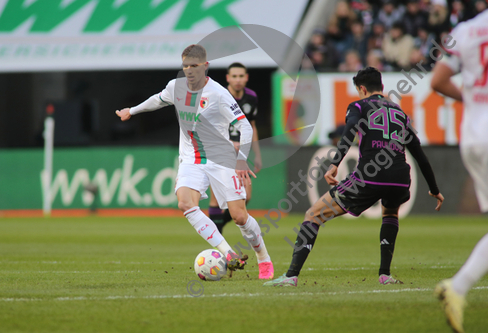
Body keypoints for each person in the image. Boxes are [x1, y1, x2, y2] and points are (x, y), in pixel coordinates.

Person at [264, 67, 444, 287]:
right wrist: (434, 188)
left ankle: (291, 276)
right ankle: (385, 275)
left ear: (361, 89)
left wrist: (334, 164)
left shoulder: (359, 105)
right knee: (390, 212)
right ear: (382, 87)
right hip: (399, 179)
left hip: (370, 177)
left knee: (313, 215)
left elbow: (349, 130)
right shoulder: (400, 113)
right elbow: (420, 156)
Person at [115, 44, 274, 279]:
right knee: (185, 203)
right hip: (191, 158)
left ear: (205, 67)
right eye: (185, 66)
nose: (189, 71)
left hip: (223, 158)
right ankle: (228, 253)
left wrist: (242, 159)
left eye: (194, 66)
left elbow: (244, 126)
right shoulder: (175, 87)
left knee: (240, 216)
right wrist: (133, 110)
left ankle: (263, 258)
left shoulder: (218, 93)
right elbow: (158, 100)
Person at [431, 8, 488, 333]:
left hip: (473, 138)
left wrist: (475, 102)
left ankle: (459, 287)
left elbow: (438, 80)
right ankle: (458, 286)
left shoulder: (465, 29)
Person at [208, 62, 261, 234]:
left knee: (247, 196)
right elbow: (210, 127)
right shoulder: (218, 96)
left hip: (241, 154)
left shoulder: (251, 97)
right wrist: (229, 143)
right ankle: (217, 243)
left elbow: (251, 126)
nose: (237, 80)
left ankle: (217, 228)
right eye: (234, 76)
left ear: (246, 78)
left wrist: (257, 154)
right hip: (220, 151)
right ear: (228, 78)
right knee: (216, 198)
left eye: (241, 76)